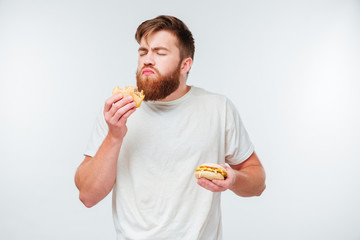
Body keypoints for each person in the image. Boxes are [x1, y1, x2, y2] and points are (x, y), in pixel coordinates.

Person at [75, 15, 266, 240]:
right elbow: (88, 195)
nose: (148, 59)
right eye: (143, 51)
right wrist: (114, 136)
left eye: (160, 52)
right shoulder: (117, 111)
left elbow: (258, 183)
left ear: (185, 64)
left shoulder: (218, 108)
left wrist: (234, 179)